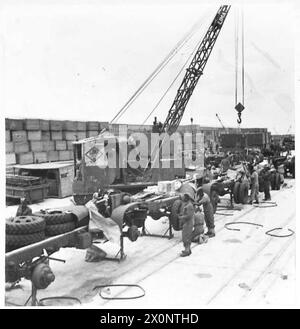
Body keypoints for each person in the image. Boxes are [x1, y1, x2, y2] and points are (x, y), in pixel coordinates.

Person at [178, 192, 195, 257]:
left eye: (184, 197)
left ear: (186, 198)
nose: (183, 198)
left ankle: (187, 251)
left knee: (186, 237)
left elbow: (189, 216)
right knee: (186, 236)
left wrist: (181, 217)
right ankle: (188, 250)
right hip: (187, 223)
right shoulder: (187, 204)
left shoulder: (189, 206)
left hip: (188, 223)